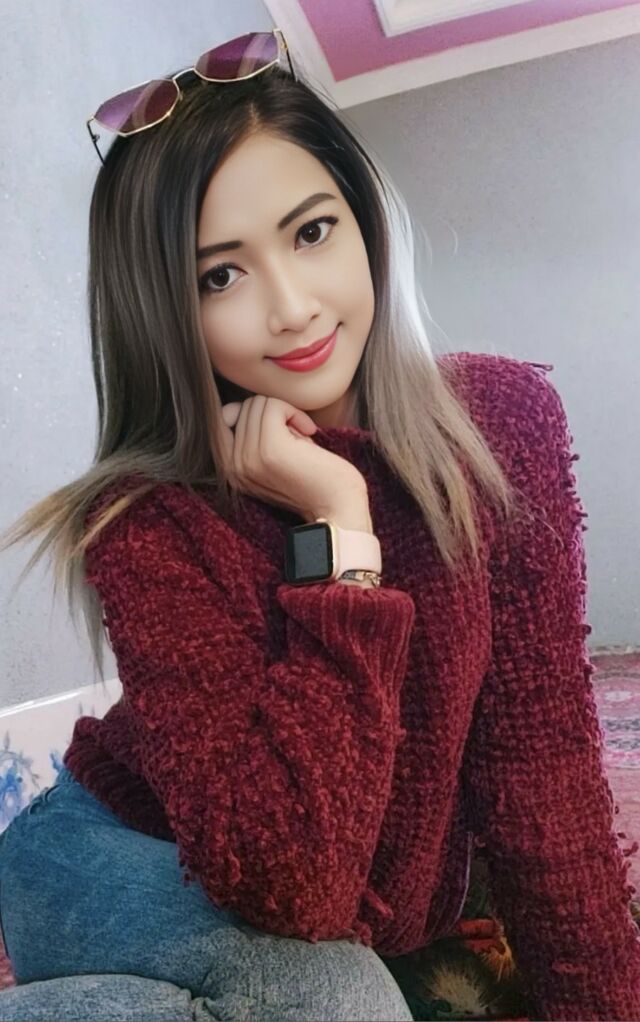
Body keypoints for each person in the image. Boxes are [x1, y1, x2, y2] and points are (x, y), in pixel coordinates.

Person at [0, 26, 638, 1022]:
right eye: (220, 276)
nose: (293, 308)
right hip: (99, 854)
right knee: (340, 996)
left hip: (313, 873)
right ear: (164, 311)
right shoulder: (148, 519)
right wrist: (337, 529)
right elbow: (294, 884)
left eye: (310, 232)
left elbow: (539, 769)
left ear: (363, 218)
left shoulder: (499, 422)